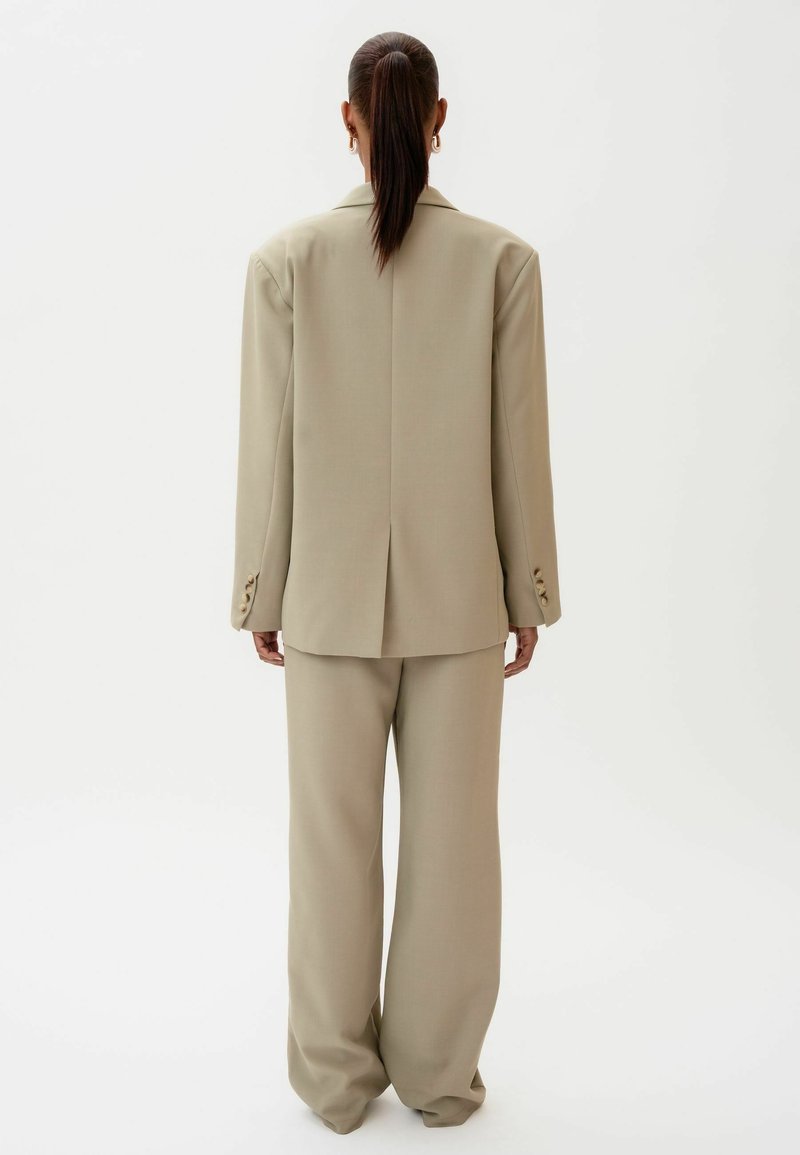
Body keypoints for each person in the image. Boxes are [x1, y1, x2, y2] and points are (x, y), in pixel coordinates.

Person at [229, 30, 562, 1135]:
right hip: (462, 603)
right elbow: (517, 444)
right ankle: (437, 1076)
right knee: (454, 850)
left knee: (330, 851)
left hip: (324, 606)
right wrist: (528, 591)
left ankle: (334, 1085)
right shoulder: (502, 262)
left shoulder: (284, 263)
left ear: (349, 122)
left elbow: (270, 448)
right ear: (438, 119)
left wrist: (260, 592)